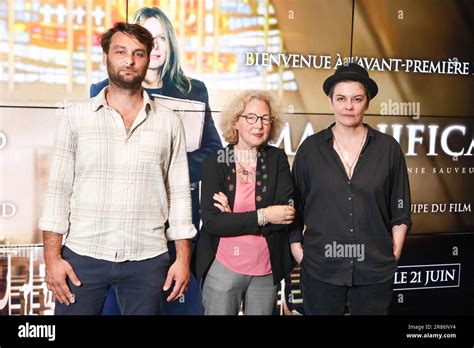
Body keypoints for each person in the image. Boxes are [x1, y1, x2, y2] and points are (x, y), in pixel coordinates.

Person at [39, 22, 196, 315]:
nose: (129, 60)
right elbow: (58, 190)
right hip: (83, 255)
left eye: (138, 53)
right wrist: (51, 258)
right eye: (120, 51)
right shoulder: (76, 117)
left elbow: (179, 195)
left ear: (148, 59)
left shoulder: (169, 122)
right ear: (105, 57)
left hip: (148, 257)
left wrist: (183, 259)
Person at [90, 7, 222, 315]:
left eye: (162, 38)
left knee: (179, 302)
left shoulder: (193, 89)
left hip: (180, 211)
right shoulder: (101, 90)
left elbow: (213, 149)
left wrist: (169, 169)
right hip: (122, 218)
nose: (157, 46)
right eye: (150, 38)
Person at [290, 63, 412, 315]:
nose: (348, 106)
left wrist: (395, 251)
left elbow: (400, 209)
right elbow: (295, 207)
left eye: (357, 99)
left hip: (374, 270)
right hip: (320, 268)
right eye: (341, 98)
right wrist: (297, 250)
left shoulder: (388, 149)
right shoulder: (310, 150)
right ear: (331, 101)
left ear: (367, 102)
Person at [192, 90, 296, 315]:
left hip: (265, 270)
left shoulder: (277, 159)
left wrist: (233, 218)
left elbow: (286, 216)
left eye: (265, 118)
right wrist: (265, 215)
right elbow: (213, 223)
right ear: (235, 122)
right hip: (223, 267)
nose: (259, 125)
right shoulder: (215, 162)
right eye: (250, 117)